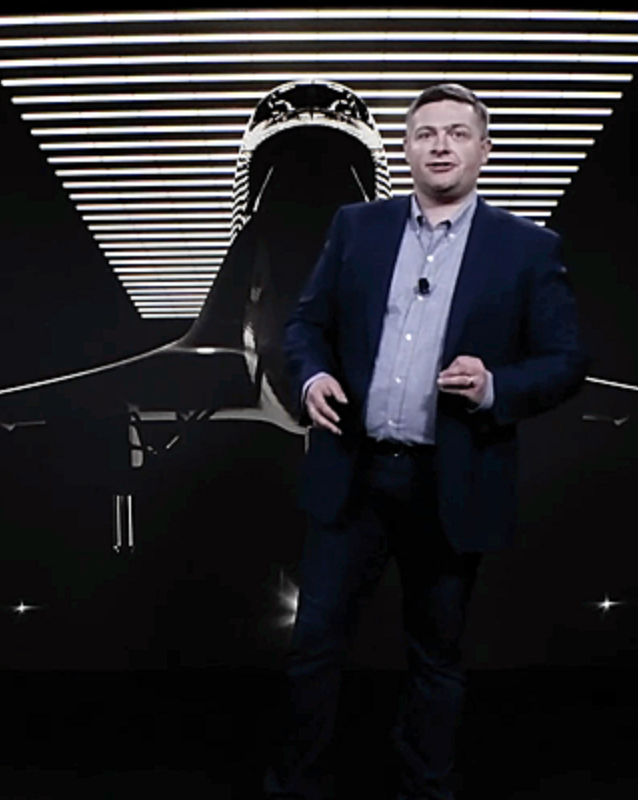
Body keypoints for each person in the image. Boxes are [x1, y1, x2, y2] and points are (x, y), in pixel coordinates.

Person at [263, 83, 591, 799]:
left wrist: (496, 385)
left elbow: (568, 362)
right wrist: (313, 376)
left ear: (484, 149)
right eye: (425, 133)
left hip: (449, 482)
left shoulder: (528, 248)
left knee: (435, 657)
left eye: (457, 133)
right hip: (353, 477)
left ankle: (426, 790)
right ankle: (296, 786)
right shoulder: (356, 227)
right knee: (313, 648)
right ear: (407, 149)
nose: (441, 145)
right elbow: (306, 324)